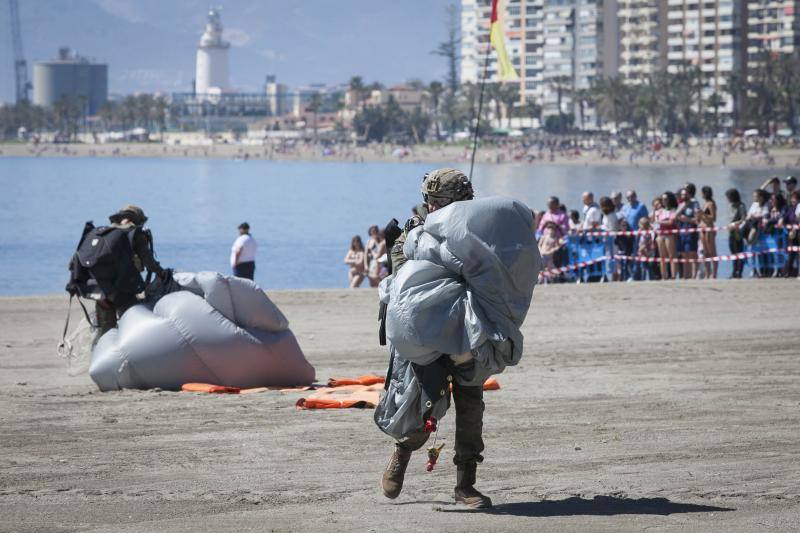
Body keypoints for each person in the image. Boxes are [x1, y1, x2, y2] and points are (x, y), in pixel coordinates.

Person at [381, 168, 492, 509]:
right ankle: (402, 452)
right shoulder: (412, 234)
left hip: (467, 332)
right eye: (429, 200)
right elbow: (403, 276)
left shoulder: (476, 234)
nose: (432, 206)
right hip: (428, 335)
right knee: (424, 403)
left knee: (471, 407)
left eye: (440, 201)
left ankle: (466, 484)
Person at [89, 205, 166, 335]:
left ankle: (98, 353)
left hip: (100, 291)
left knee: (105, 334)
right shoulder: (135, 234)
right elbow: (149, 263)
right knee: (133, 330)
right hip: (122, 291)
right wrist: (163, 274)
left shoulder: (105, 233)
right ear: (138, 221)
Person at [676, 187, 700, 279]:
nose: (684, 196)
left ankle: (694, 275)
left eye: (685, 194)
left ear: (689, 195)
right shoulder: (681, 204)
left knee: (692, 253)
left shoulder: (695, 204)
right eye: (682, 194)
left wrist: (687, 219)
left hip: (691, 230)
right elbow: (676, 216)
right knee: (684, 254)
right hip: (682, 231)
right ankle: (686, 275)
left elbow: (697, 220)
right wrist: (683, 206)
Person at [655, 191, 679, 280]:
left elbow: (671, 222)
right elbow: (656, 221)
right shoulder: (659, 211)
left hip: (669, 234)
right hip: (661, 234)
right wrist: (661, 221)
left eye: (665, 199)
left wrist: (660, 222)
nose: (664, 201)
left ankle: (673, 276)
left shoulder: (672, 210)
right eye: (663, 199)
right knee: (662, 257)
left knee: (672, 256)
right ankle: (664, 276)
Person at [725, 188, 748, 279]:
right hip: (731, 232)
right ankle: (734, 272)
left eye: (728, 197)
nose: (728, 199)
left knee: (739, 252)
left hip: (738, 232)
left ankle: (739, 272)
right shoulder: (731, 206)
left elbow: (744, 218)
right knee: (733, 252)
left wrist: (735, 224)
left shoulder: (741, 206)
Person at [698, 186, 718, 279]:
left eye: (702, 192)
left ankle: (714, 274)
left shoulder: (711, 204)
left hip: (708, 229)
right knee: (705, 252)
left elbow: (713, 218)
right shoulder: (705, 203)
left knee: (712, 252)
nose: (701, 194)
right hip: (702, 228)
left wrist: (703, 213)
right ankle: (707, 273)